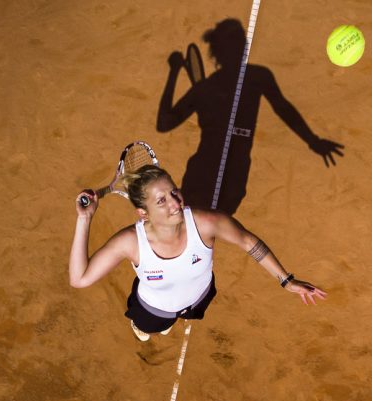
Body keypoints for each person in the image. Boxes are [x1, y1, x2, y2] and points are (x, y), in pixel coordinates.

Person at [69, 165, 326, 341]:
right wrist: (85, 219)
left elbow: (248, 241)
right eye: (161, 201)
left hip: (200, 296)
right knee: (150, 328)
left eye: (174, 191)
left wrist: (286, 280)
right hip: (153, 312)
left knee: (192, 311)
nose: (175, 202)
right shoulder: (130, 242)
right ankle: (142, 324)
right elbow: (79, 279)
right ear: (143, 213)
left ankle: (178, 316)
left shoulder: (206, 223)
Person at [157, 18, 344, 214]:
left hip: (214, 173)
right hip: (226, 174)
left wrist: (174, 71)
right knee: (205, 231)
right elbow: (283, 108)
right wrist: (312, 141)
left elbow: (165, 122)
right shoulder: (256, 77)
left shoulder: (207, 88)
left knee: (197, 232)